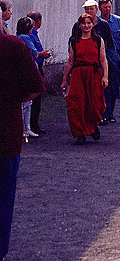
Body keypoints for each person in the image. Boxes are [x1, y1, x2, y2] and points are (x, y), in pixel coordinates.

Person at [0, 32, 43, 260]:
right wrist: (12, 101)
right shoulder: (14, 46)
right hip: (6, 135)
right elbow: (36, 85)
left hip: (7, 136)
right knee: (3, 198)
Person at [61, 13, 108, 145]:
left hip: (93, 74)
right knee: (77, 103)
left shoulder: (98, 40)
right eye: (83, 23)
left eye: (89, 23)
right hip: (78, 74)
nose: (86, 26)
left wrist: (105, 76)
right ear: (79, 25)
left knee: (95, 103)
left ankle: (93, 126)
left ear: (93, 24)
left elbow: (103, 60)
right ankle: (80, 132)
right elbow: (70, 61)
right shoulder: (74, 41)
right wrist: (64, 80)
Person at [99, 0, 120, 125]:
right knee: (103, 86)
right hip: (101, 58)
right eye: (105, 7)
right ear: (100, 8)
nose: (107, 9)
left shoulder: (118, 21)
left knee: (113, 86)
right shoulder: (96, 23)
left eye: (109, 7)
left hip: (115, 57)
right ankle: (104, 113)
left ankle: (110, 112)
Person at [25, 12, 51, 135]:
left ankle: (34, 124)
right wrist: (42, 54)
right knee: (35, 96)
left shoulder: (33, 34)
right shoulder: (29, 35)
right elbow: (34, 52)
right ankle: (32, 124)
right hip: (35, 66)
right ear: (38, 21)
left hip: (37, 64)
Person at [14, 18, 39, 140]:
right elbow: (35, 53)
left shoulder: (17, 37)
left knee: (27, 103)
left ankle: (25, 128)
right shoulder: (25, 38)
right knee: (26, 102)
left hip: (22, 71)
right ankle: (24, 128)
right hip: (27, 71)